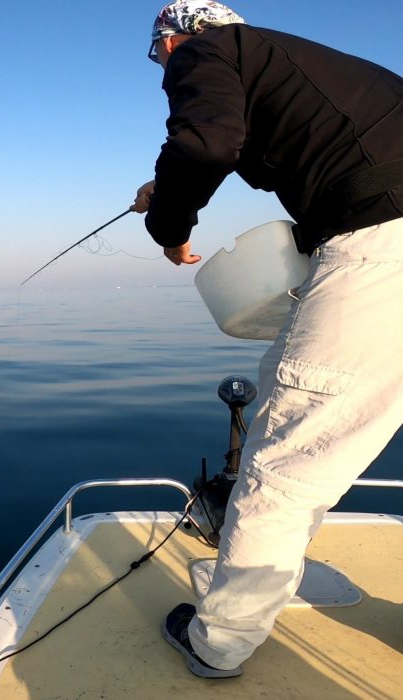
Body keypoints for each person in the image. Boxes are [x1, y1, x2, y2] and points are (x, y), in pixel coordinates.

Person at [132, 0, 403, 679]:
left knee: (286, 465)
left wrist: (168, 227)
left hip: (383, 253)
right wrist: (163, 185)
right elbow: (239, 142)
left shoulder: (207, 48)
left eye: (156, 52)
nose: (160, 67)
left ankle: (218, 642)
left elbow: (204, 143)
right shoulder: (309, 66)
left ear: (177, 33)